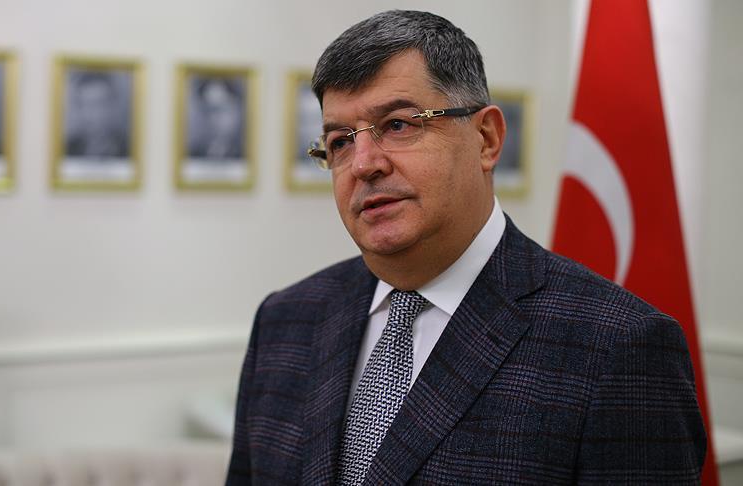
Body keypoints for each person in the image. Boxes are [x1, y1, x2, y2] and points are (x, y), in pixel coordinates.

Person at [226, 10, 706, 485]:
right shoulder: (285, 320)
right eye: (340, 142)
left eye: (398, 124)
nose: (363, 164)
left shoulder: (619, 346)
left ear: (486, 139)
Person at [65, 71, 129, 159]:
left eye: (99, 104)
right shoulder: (67, 149)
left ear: (113, 106)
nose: (92, 114)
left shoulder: (130, 149)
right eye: (85, 105)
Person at [188, 77, 245, 159]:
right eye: (207, 111)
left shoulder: (246, 152)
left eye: (220, 110)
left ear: (237, 111)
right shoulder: (193, 154)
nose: (213, 119)